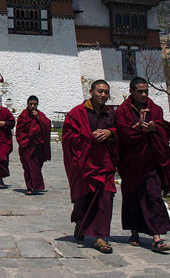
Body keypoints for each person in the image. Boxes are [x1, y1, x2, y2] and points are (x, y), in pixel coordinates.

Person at [115, 77, 170, 253]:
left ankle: (157, 237)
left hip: (150, 162)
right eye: (140, 91)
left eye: (146, 91)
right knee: (132, 196)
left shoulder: (155, 109)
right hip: (132, 161)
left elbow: (164, 129)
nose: (143, 94)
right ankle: (134, 233)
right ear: (131, 91)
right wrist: (137, 128)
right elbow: (122, 132)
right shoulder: (122, 111)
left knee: (153, 196)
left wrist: (154, 128)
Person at [61, 79, 118, 253]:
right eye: (100, 91)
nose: (103, 95)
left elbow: (120, 131)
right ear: (91, 91)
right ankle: (81, 221)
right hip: (83, 164)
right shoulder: (77, 113)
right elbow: (68, 137)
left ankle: (101, 238)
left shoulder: (111, 114)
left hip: (105, 164)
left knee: (106, 199)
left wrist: (110, 133)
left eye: (106, 92)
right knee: (83, 199)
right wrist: (88, 137)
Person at [15, 95, 52, 195]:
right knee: (28, 167)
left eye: (34, 104)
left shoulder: (40, 115)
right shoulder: (23, 115)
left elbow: (48, 125)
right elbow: (19, 131)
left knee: (36, 166)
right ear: (27, 104)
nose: (32, 106)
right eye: (30, 104)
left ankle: (34, 184)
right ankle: (29, 187)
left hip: (38, 146)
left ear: (37, 105)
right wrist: (23, 143)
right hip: (27, 146)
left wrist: (38, 118)